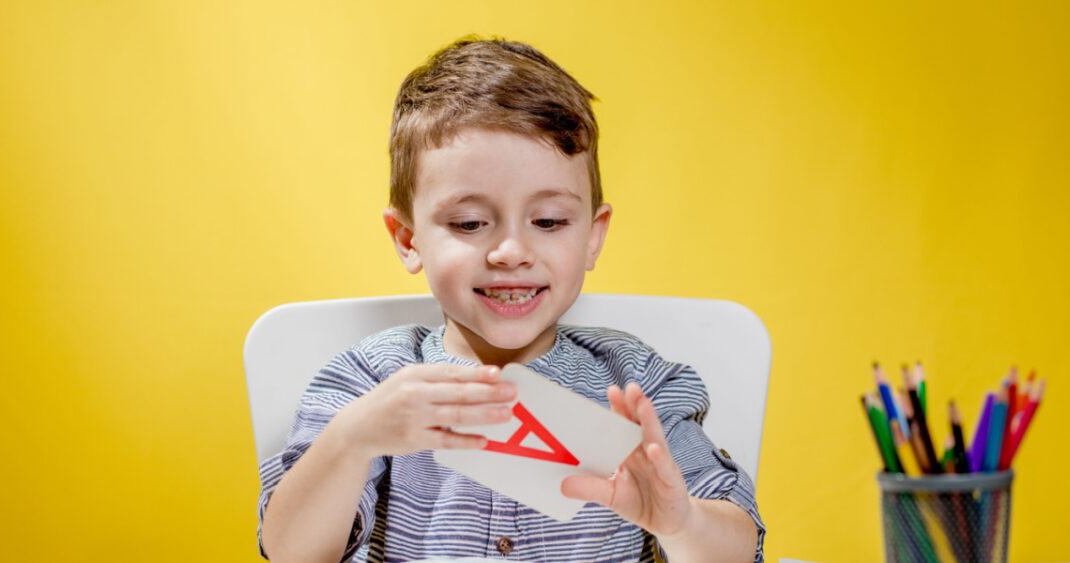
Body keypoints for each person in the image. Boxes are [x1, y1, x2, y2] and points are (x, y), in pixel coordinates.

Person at [257, 36, 765, 562]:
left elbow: (737, 548)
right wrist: (352, 439)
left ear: (592, 235)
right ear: (409, 239)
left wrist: (682, 521)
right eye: (470, 223)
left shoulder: (637, 383)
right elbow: (292, 553)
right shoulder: (372, 381)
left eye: (548, 221)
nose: (511, 251)